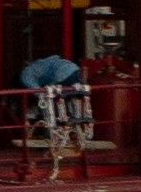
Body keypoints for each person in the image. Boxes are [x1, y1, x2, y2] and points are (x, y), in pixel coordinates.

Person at [18, 41, 89, 177]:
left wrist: (38, 105)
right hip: (73, 71)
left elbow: (39, 92)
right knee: (72, 104)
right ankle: (75, 135)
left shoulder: (25, 75)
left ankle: (54, 138)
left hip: (61, 76)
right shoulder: (40, 64)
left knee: (52, 108)